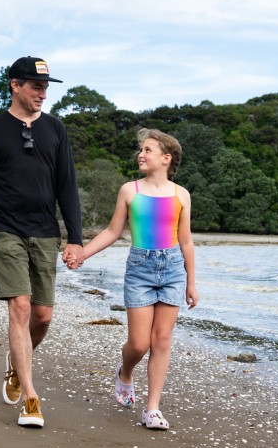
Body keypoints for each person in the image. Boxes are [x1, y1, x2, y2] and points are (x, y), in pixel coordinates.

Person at [0, 56, 84, 428]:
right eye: (35, 86)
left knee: (42, 315)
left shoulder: (55, 129)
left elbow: (67, 186)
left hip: (45, 232)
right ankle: (31, 398)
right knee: (19, 306)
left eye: (46, 87)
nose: (42, 93)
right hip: (5, 230)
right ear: (15, 85)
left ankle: (16, 363)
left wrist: (75, 239)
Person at [69, 128, 196, 430]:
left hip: (173, 270)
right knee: (139, 345)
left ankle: (152, 409)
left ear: (166, 158)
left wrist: (191, 282)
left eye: (148, 150)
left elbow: (187, 242)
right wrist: (83, 254)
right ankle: (125, 373)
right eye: (141, 150)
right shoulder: (130, 191)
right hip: (140, 269)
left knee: (161, 340)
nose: (141, 154)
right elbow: (113, 232)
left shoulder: (181, 195)